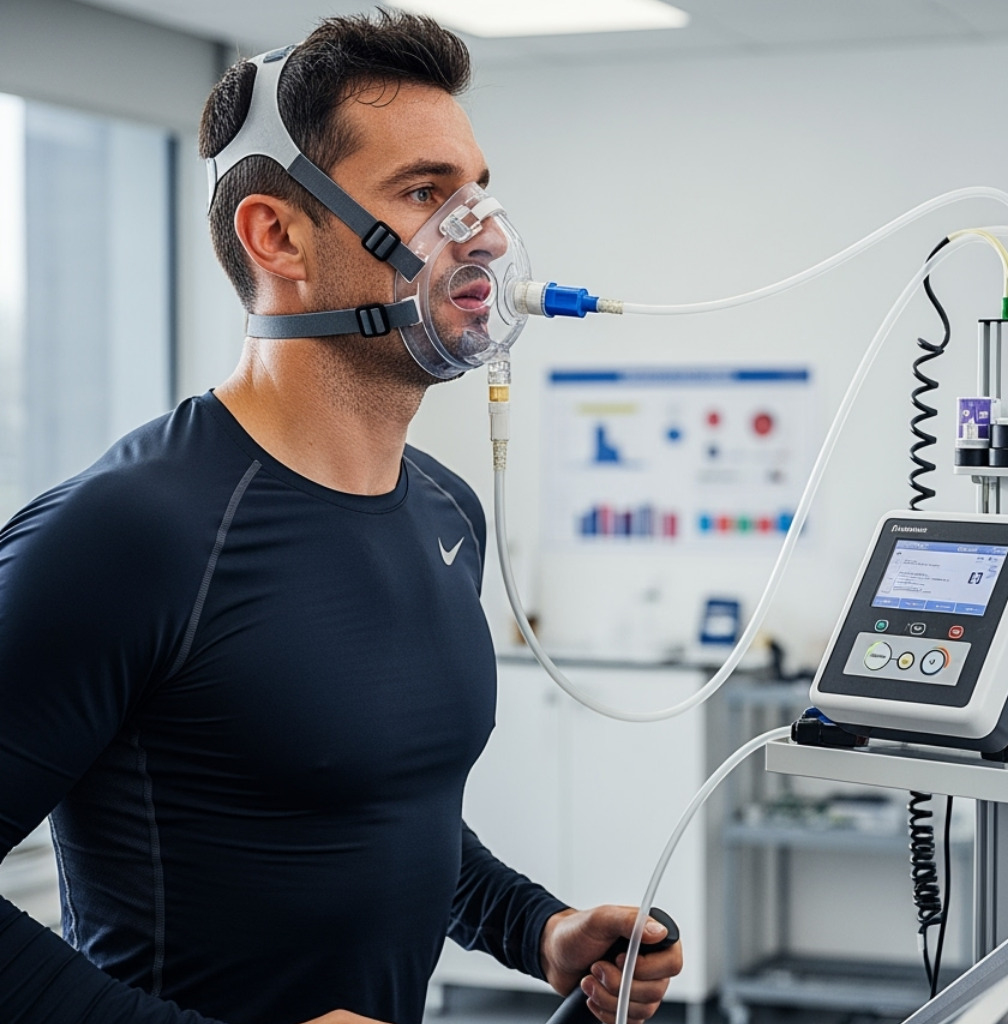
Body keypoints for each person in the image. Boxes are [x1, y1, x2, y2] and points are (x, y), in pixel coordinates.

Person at [0, 12, 682, 1024]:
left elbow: (366, 809)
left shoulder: (447, 512)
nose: (484, 234)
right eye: (424, 193)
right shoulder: (122, 536)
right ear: (277, 235)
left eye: (478, 193)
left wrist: (531, 924)